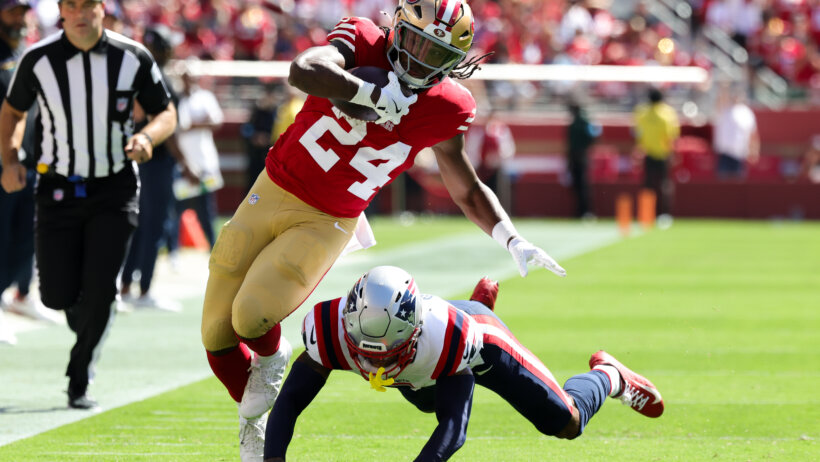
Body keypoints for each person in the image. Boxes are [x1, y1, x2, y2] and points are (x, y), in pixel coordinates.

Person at [200, 1, 566, 461]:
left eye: (435, 54)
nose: (418, 59)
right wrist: (364, 93)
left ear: (453, 63)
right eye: (414, 41)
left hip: (328, 216)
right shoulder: (363, 39)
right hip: (271, 186)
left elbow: (464, 184)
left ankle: (271, 363)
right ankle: (252, 416)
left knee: (250, 316)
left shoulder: (447, 105)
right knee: (215, 333)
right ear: (397, 27)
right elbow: (304, 69)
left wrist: (511, 237)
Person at [264, 266, 664, 461]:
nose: (372, 360)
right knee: (423, 399)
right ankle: (477, 304)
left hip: (476, 341)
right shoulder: (327, 330)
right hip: (431, 357)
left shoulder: (448, 340)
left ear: (414, 330)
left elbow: (454, 430)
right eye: (364, 349)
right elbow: (291, 402)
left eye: (385, 350)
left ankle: (609, 376)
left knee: (565, 424)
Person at [0, 0, 177, 409]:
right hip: (57, 187)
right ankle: (90, 318)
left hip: (115, 188)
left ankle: (79, 378)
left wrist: (148, 137)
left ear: (103, 8)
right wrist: (10, 159)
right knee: (56, 295)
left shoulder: (132, 56)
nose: (80, 12)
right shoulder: (38, 58)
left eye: (88, 4)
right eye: (71, 4)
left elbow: (164, 111)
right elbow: (12, 111)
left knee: (100, 289)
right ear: (61, 11)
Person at [119, 25, 193, 312]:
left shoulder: (142, 76)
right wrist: (186, 163)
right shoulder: (158, 79)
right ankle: (144, 288)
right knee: (154, 225)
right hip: (158, 160)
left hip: (141, 159)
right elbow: (168, 128)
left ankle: (127, 285)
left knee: (140, 226)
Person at [0, 0, 61, 324]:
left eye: (24, 11)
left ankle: (19, 294)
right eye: (12, 10)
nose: (20, 17)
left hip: (31, 161)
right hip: (2, 163)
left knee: (28, 237)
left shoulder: (27, 51)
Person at [172, 65, 224, 249]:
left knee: (207, 210)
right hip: (181, 165)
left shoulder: (205, 97)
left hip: (204, 163)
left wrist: (191, 126)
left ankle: (214, 248)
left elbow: (216, 121)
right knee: (175, 211)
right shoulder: (176, 99)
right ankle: (172, 252)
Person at [633, 87, 680, 225]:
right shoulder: (667, 113)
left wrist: (639, 150)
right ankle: (664, 214)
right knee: (664, 185)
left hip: (647, 153)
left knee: (647, 185)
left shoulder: (641, 113)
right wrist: (673, 153)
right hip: (663, 154)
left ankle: (646, 214)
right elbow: (671, 137)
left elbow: (638, 134)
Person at [713, 85, 759, 180]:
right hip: (724, 155)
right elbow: (719, 99)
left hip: (740, 155)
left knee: (738, 185)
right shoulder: (725, 109)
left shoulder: (747, 112)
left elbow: (753, 134)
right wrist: (725, 85)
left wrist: (754, 151)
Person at [566, 99, 600, 219]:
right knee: (579, 185)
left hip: (579, 156)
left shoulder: (582, 122)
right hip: (579, 156)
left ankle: (585, 211)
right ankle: (581, 211)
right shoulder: (582, 122)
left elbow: (593, 136)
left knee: (583, 185)